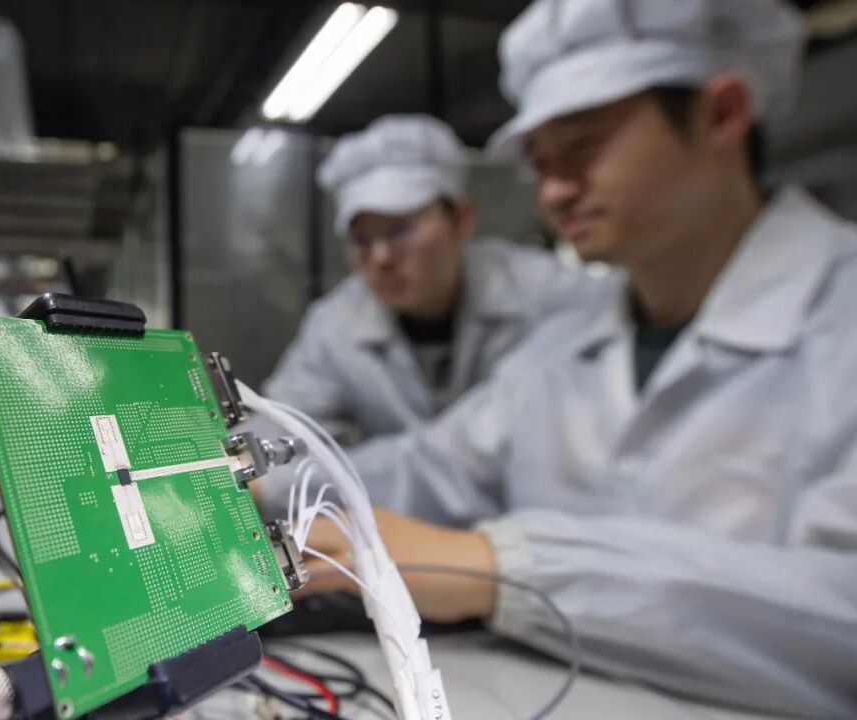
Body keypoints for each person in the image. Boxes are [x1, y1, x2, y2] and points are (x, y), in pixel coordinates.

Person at [299, 1, 857, 717]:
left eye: (584, 149)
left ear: (721, 115)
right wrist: (263, 481)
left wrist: (503, 569)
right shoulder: (564, 345)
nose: (555, 193)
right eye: (540, 164)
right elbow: (434, 466)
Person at [263, 114, 588, 445]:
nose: (381, 257)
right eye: (361, 239)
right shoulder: (334, 327)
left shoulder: (547, 292)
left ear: (460, 220)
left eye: (399, 229)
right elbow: (276, 432)